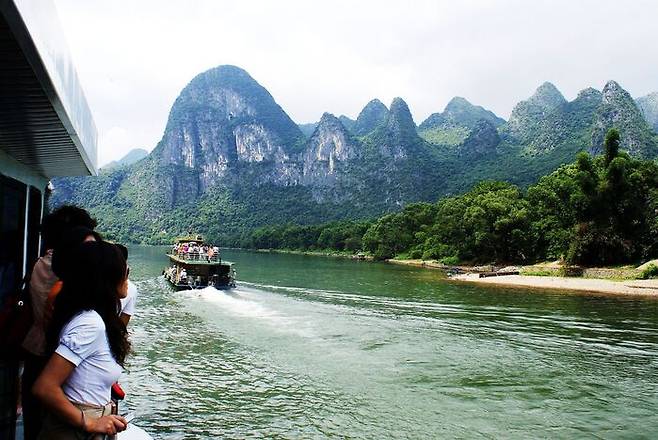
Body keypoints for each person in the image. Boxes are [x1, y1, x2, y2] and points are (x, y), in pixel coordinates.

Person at [33, 241, 130, 439]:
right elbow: (45, 387)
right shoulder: (90, 324)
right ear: (107, 277)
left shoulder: (89, 317)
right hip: (76, 431)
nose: (128, 278)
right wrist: (90, 422)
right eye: (125, 271)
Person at [22, 208, 98, 440]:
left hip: (34, 354)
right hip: (62, 364)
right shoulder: (73, 274)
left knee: (34, 427)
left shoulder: (39, 264)